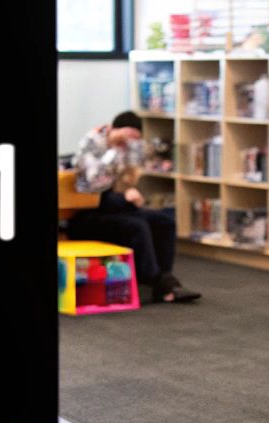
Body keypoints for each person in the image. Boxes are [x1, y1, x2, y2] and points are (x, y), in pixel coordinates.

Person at [67, 111, 200, 303]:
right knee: (136, 223)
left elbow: (128, 181)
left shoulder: (130, 148)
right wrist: (113, 149)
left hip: (116, 207)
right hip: (86, 211)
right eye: (125, 137)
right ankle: (157, 281)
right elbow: (92, 183)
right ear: (113, 130)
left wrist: (131, 190)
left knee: (164, 221)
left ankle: (165, 277)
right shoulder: (92, 143)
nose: (127, 143)